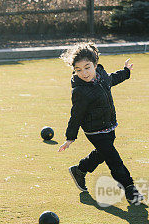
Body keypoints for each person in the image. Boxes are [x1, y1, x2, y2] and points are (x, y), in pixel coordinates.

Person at [58, 42, 144, 205]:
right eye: (78, 70)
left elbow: (111, 79)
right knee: (113, 159)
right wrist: (70, 137)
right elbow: (75, 115)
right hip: (94, 130)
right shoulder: (80, 91)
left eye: (87, 67)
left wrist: (125, 72)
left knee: (102, 153)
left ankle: (80, 169)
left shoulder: (101, 75)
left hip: (109, 125)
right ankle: (130, 189)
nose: (83, 73)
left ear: (95, 65)